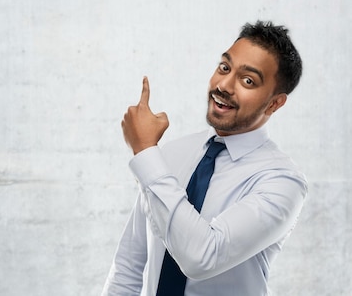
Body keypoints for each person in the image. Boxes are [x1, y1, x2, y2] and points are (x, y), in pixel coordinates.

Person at [102, 21, 307, 296]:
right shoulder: (170, 156)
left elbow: (202, 256)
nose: (224, 85)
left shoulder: (282, 182)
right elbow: (130, 264)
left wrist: (145, 152)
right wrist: (151, 155)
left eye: (248, 81)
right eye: (224, 68)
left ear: (274, 103)